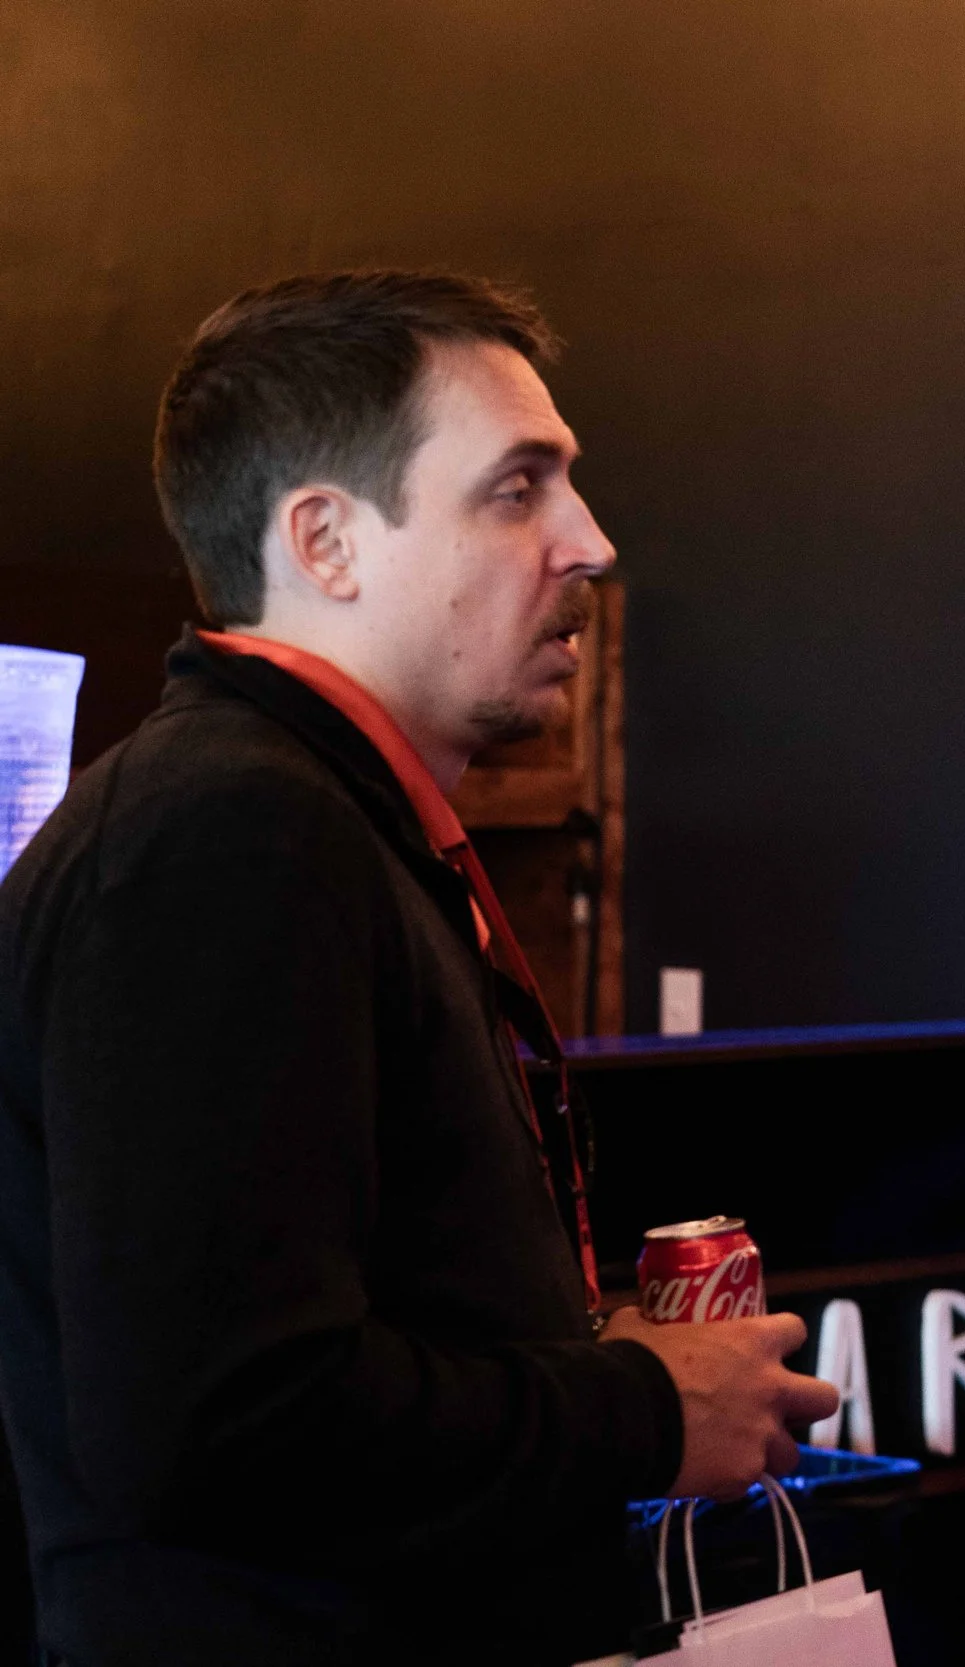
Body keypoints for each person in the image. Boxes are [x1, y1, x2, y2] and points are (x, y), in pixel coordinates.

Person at [0, 271, 841, 1665]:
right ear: (326, 540)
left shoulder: (309, 817)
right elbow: (220, 1420)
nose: (589, 539)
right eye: (519, 488)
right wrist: (640, 1404)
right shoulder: (231, 832)